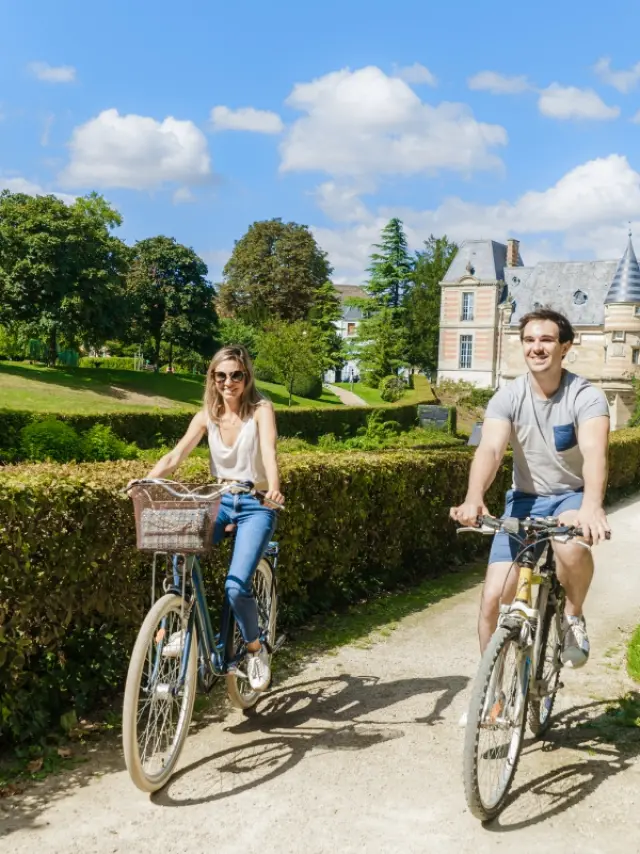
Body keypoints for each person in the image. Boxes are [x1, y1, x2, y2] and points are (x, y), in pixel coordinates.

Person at [450, 308, 610, 670]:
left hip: (571, 496)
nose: (536, 348)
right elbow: (490, 449)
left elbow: (594, 451)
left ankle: (572, 615)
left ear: (565, 346)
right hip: (524, 499)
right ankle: (495, 695)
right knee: (492, 600)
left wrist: (593, 506)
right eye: (529, 340)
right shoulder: (508, 396)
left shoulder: (586, 396)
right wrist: (474, 497)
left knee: (569, 548)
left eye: (547, 339)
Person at [143, 344, 284, 691]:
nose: (228, 382)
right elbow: (177, 454)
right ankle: (180, 619)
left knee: (236, 587)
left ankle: (254, 651)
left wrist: (276, 488)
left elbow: (268, 450)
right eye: (221, 375)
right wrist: (145, 482)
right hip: (218, 499)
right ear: (212, 378)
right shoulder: (207, 414)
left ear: (247, 376)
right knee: (180, 540)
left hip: (255, 503)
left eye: (236, 375)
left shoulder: (261, 409)